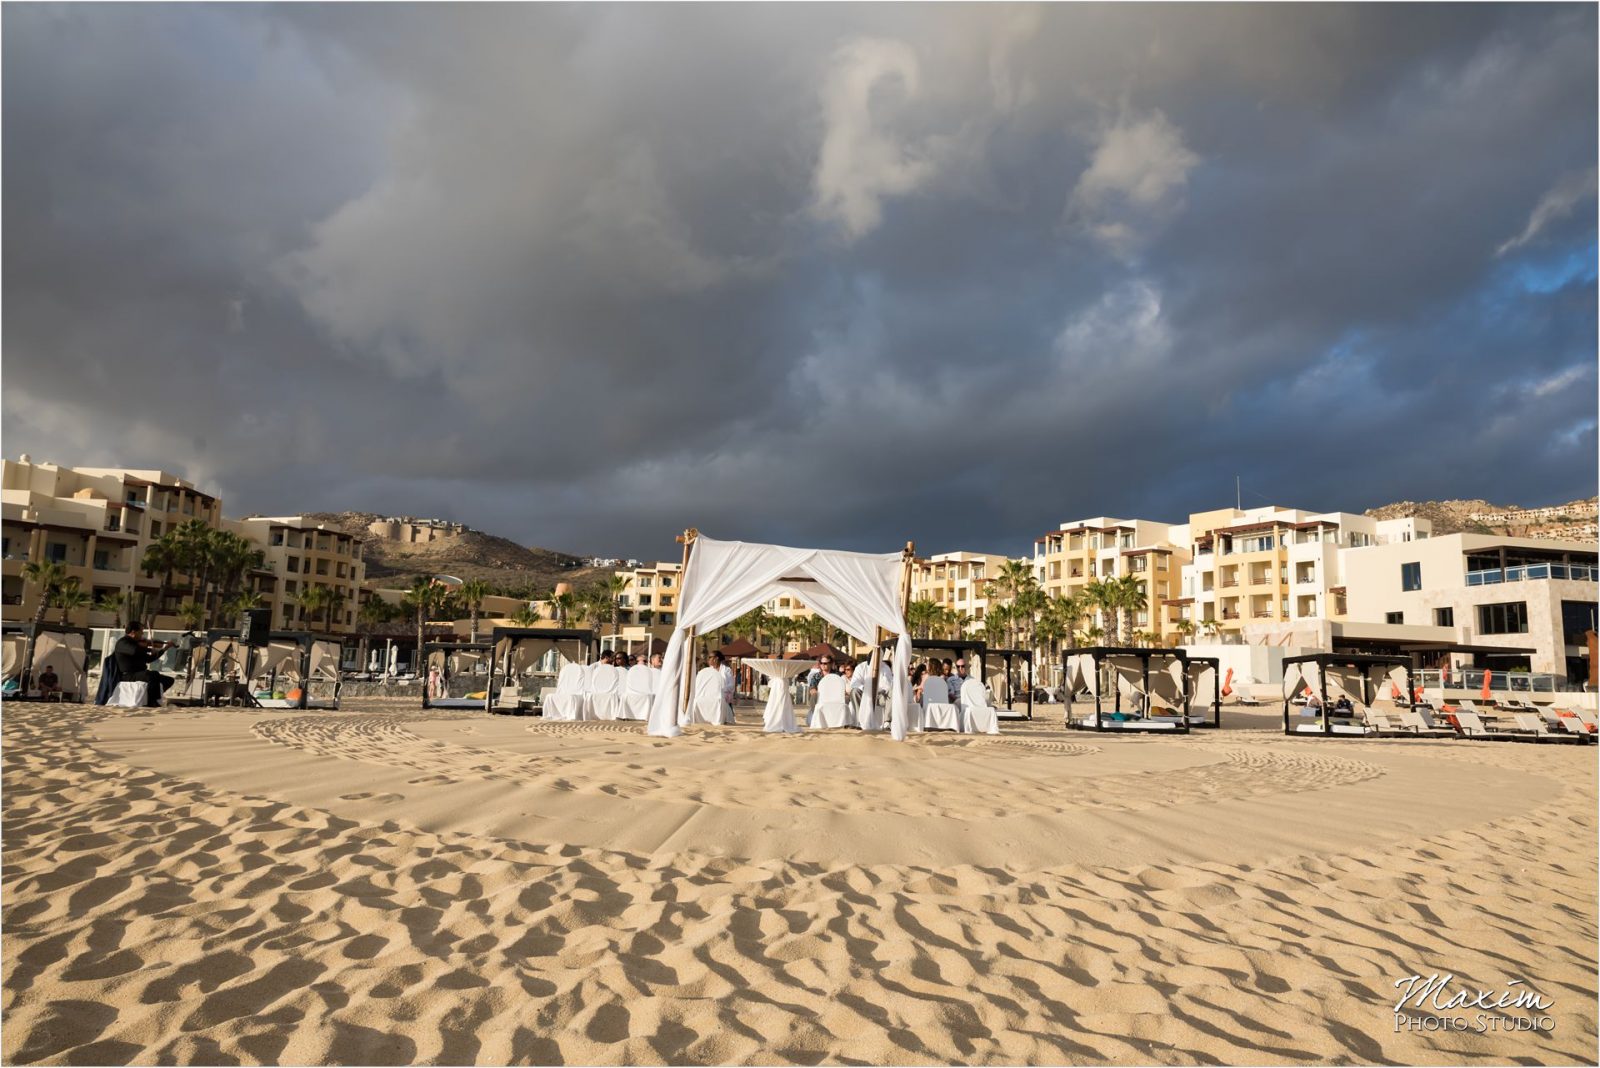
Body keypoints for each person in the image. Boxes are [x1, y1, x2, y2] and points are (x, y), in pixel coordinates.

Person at [114, 622, 174, 706]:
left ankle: (150, 696)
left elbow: (149, 659)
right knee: (153, 674)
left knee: (169, 680)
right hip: (128, 675)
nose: (142, 633)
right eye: (141, 631)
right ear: (133, 632)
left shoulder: (137, 644)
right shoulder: (122, 643)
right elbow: (134, 650)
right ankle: (151, 701)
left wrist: (164, 649)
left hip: (140, 673)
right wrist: (149, 649)